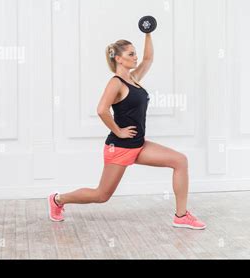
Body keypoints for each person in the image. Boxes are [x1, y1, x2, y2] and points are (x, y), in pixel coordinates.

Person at [48, 33, 206, 230]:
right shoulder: (116, 83)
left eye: (135, 53)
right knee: (101, 195)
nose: (135, 57)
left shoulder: (134, 78)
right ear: (118, 58)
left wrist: (148, 32)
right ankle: (58, 200)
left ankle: (181, 216)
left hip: (138, 145)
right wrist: (119, 131)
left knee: (180, 161)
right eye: (131, 54)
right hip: (120, 147)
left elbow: (148, 58)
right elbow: (101, 110)